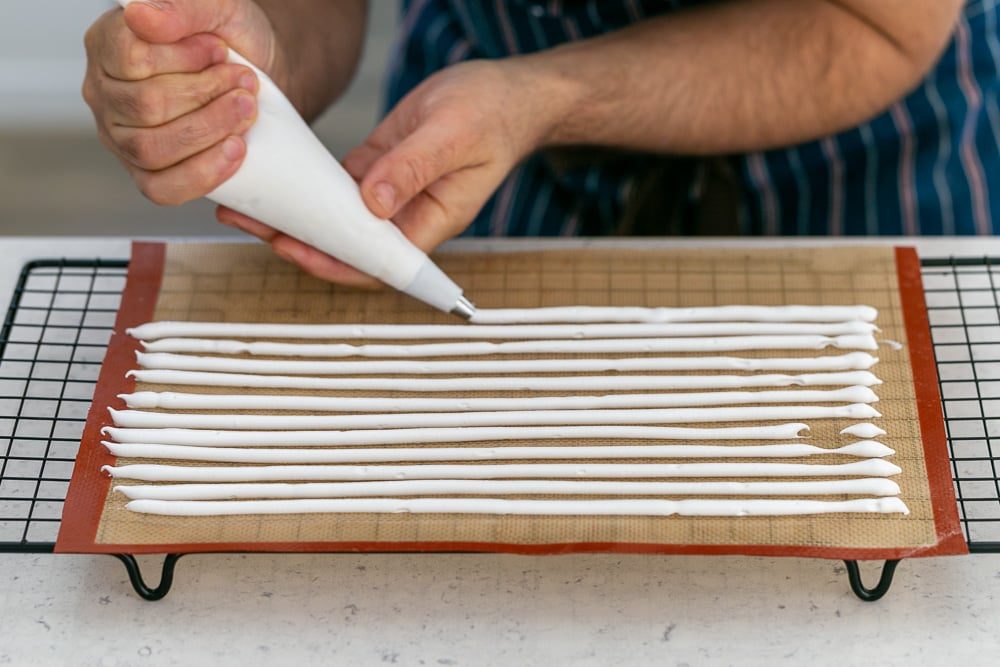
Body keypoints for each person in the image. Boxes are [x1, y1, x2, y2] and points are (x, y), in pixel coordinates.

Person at [83, 0, 996, 288]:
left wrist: (548, 98)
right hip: (481, 123)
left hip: (869, 147)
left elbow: (875, 26)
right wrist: (248, 59)